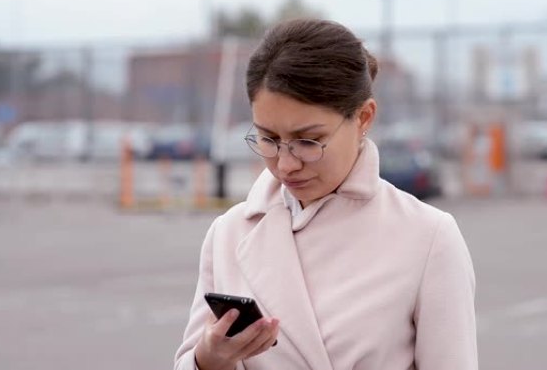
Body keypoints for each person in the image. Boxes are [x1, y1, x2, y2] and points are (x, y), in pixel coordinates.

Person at [174, 18, 477, 370]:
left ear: (364, 117)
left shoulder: (429, 237)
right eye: (269, 139)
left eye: (308, 141)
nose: (285, 164)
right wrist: (208, 360)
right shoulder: (228, 233)